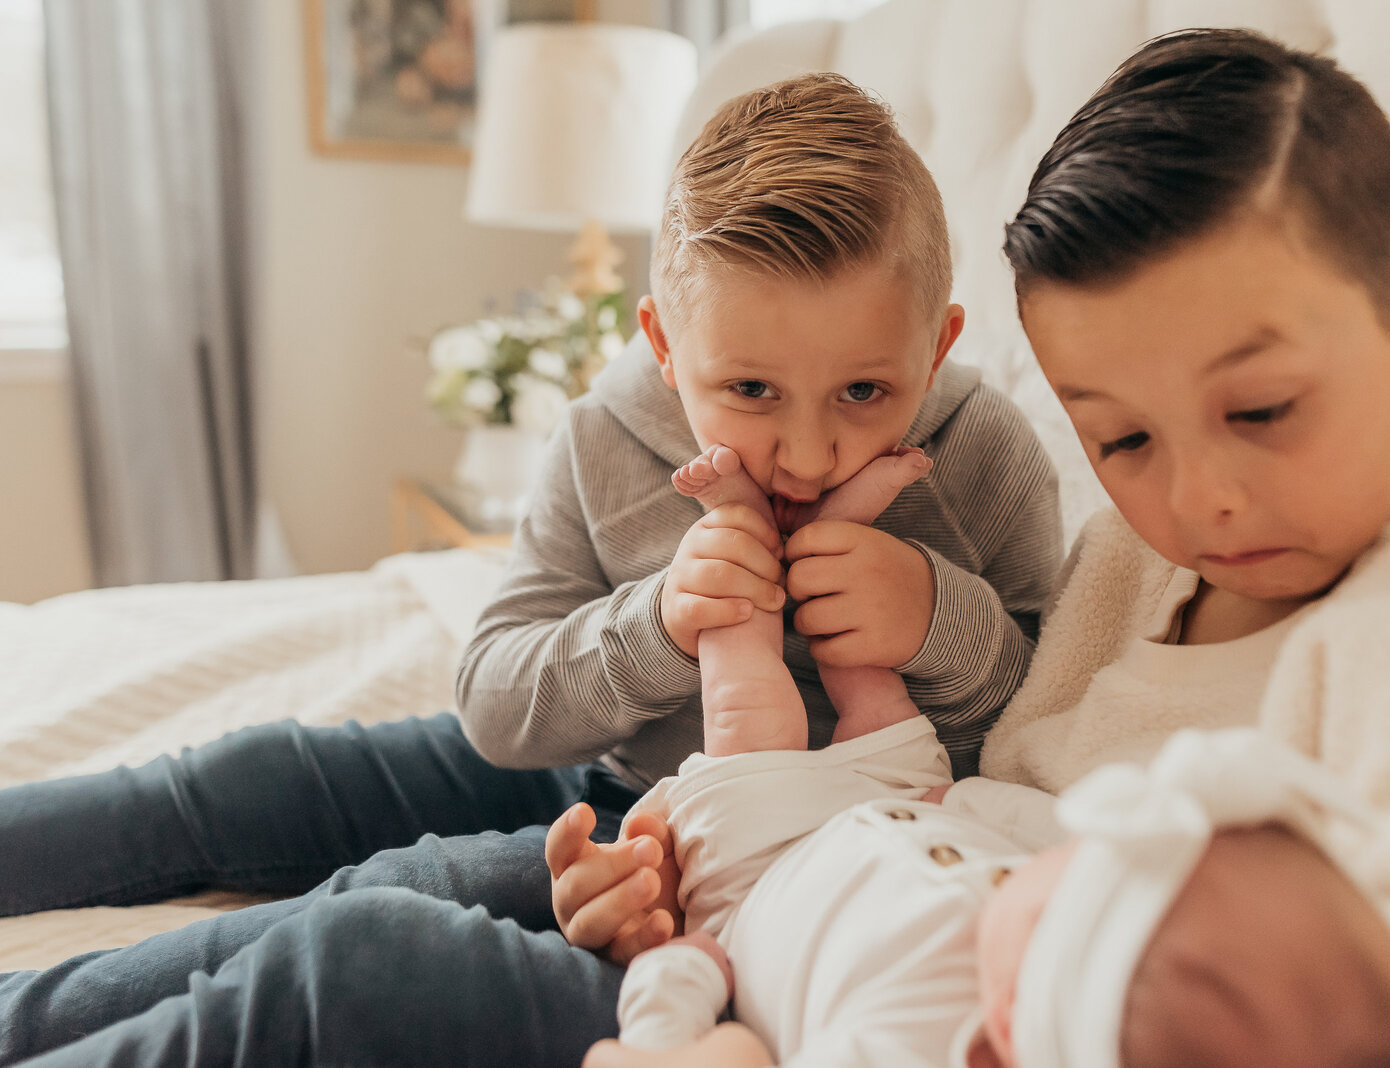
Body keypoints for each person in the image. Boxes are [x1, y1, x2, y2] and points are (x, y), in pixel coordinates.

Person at [552, 27, 1390, 1064]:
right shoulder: (1126, 561)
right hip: (777, 933)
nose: (1200, 501)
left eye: (1264, 410)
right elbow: (978, 783)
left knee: (393, 957)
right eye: (1123, 438)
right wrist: (692, 879)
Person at [0, 72, 1061, 1066]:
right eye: (747, 390)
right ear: (661, 345)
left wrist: (937, 621)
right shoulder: (606, 431)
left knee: (396, 899)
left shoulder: (986, 451)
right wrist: (654, 627)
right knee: (252, 778)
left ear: (934, 346)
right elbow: (497, 703)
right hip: (595, 750)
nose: (808, 452)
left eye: (865, 394)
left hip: (711, 848)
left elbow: (1037, 736)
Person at [577, 444, 1390, 1068]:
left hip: (762, 873)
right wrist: (963, 808)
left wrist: (677, 978)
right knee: (873, 685)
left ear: (1003, 1042)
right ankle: (830, 536)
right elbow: (1052, 821)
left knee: (747, 699)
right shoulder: (1103, 929)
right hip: (920, 797)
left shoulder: (908, 1046)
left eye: (1051, 903)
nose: (1058, 872)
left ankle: (740, 530)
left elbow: (675, 1046)